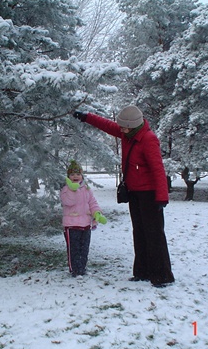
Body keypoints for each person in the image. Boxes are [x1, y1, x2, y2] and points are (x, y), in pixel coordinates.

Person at [73, 106, 175, 287]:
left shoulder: (148, 139)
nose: (120, 130)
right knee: (139, 233)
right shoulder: (127, 135)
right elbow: (107, 125)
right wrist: (86, 117)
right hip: (135, 193)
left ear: (133, 126)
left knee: (154, 235)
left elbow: (158, 170)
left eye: (124, 127)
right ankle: (142, 272)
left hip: (150, 195)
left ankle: (162, 276)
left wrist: (161, 197)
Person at [60, 160, 107, 278]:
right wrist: (72, 189)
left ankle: (82, 267)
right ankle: (75, 270)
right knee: (74, 249)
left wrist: (96, 213)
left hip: (85, 224)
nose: (75, 177)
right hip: (71, 225)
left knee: (84, 248)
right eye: (72, 175)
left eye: (78, 174)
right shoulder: (66, 190)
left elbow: (92, 203)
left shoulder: (86, 189)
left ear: (82, 176)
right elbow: (69, 202)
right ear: (68, 177)